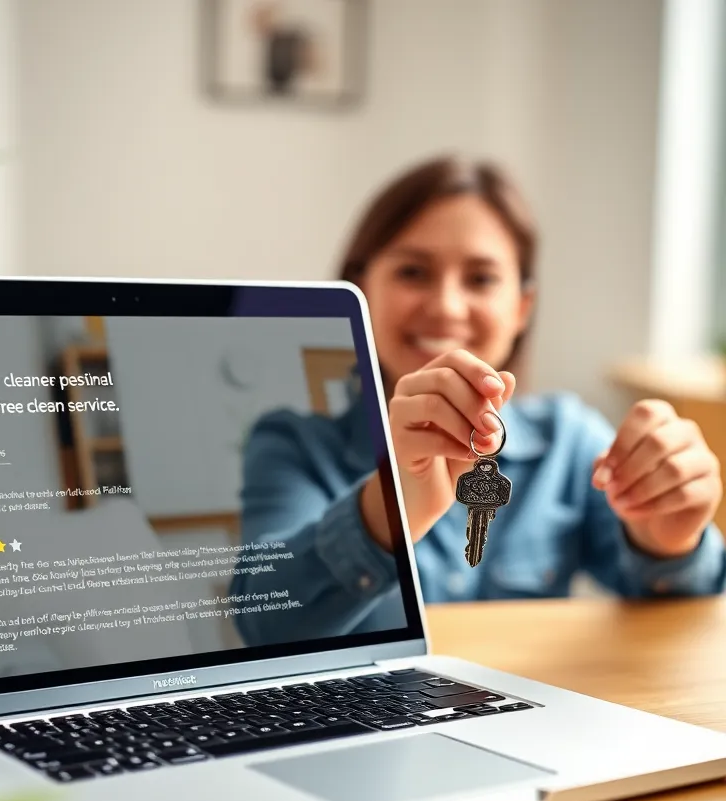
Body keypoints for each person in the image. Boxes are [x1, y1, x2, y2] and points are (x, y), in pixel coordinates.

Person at [231, 156, 726, 646]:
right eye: (413, 272)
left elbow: (682, 618)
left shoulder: (570, 440)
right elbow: (264, 625)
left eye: (481, 279)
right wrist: (389, 506)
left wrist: (671, 543)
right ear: (361, 288)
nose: (447, 307)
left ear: (521, 308)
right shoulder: (293, 445)